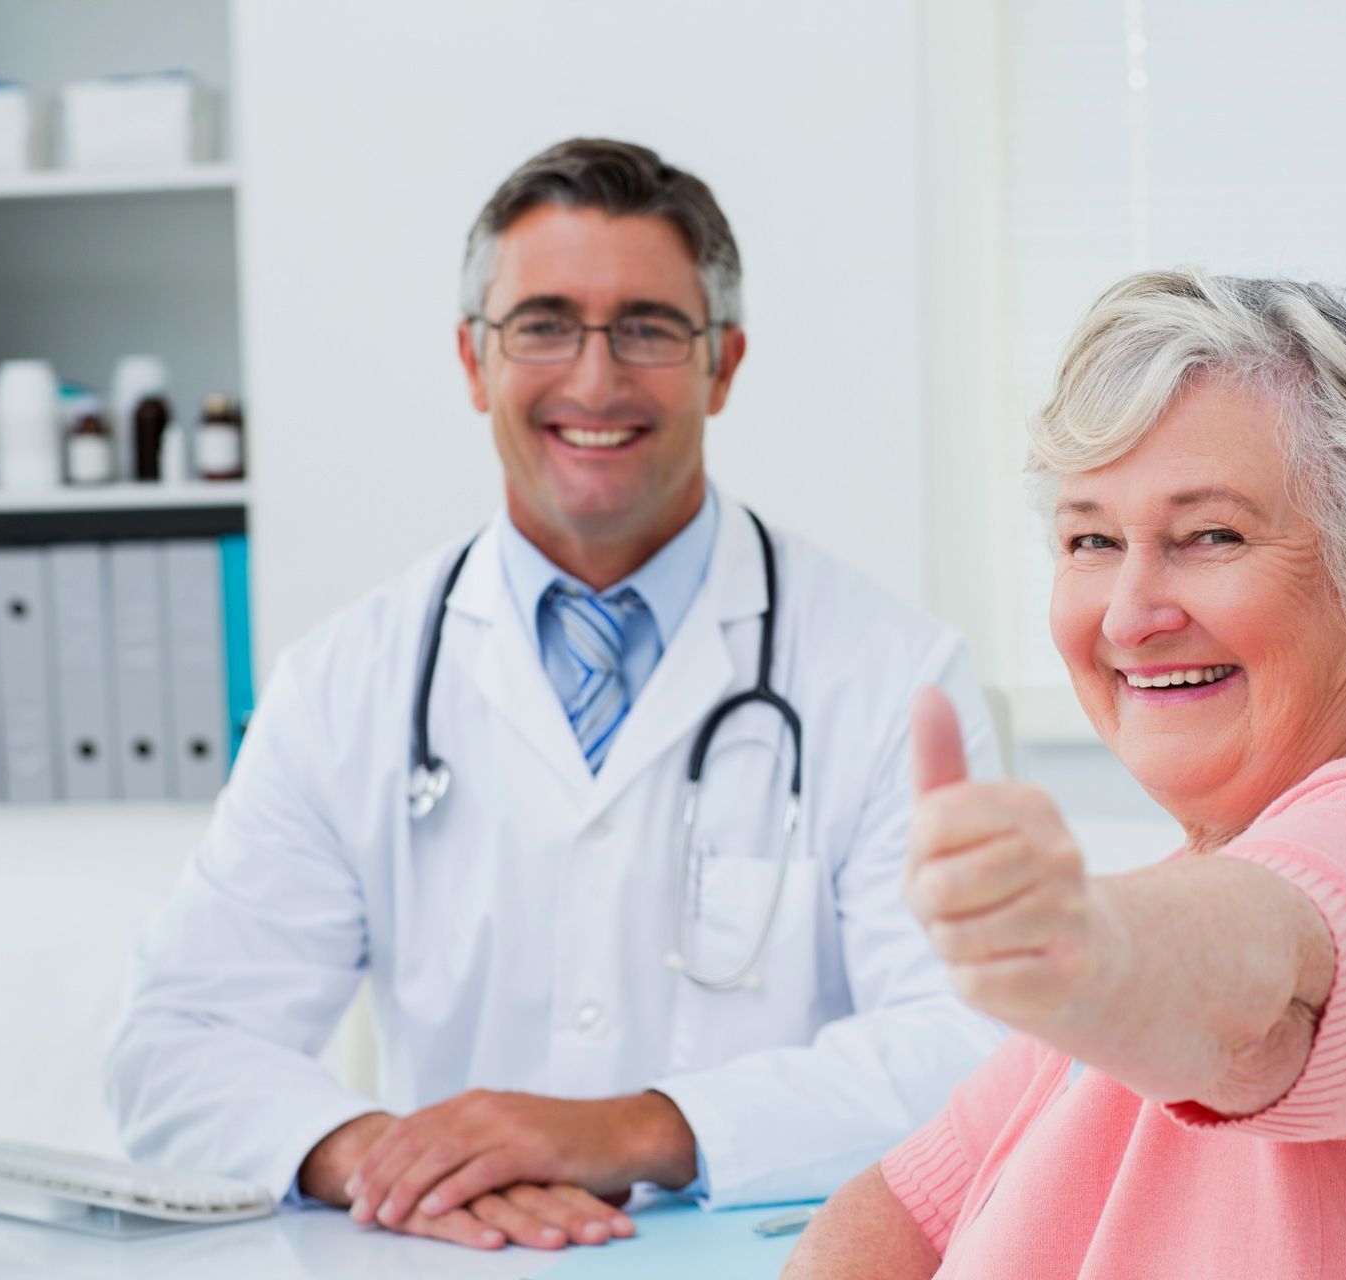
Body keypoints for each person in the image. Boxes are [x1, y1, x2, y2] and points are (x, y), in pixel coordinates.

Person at [104, 137, 1003, 1254]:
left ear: (723, 363)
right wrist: (379, 1153)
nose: (593, 377)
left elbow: (974, 1046)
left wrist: (637, 1126)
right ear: (475, 362)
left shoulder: (892, 675)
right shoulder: (344, 682)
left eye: (647, 327)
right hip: (449, 1252)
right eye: (542, 324)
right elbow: (176, 1040)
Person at [785, 270, 1346, 1278]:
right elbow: (905, 1207)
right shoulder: (1222, 851)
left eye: (1209, 534)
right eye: (1091, 538)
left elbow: (1257, 995)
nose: (1129, 613)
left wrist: (1077, 942)